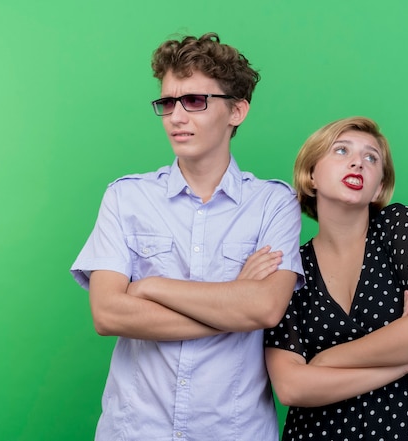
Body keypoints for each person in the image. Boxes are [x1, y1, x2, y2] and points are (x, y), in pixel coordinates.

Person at [70, 32, 304, 441]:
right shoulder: (126, 197)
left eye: (195, 101)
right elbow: (108, 315)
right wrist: (233, 301)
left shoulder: (274, 203)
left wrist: (151, 287)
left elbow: (265, 310)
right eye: (167, 103)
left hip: (233, 431)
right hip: (135, 430)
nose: (177, 117)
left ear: (237, 111)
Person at [264, 116, 408, 440]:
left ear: (379, 187)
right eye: (341, 151)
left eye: (372, 158)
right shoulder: (290, 266)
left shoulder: (399, 226)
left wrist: (326, 360)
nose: (358, 162)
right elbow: (291, 387)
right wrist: (403, 360)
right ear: (311, 174)